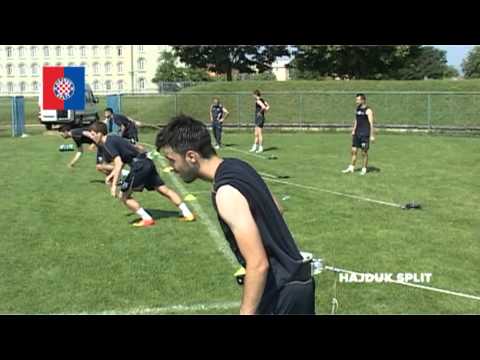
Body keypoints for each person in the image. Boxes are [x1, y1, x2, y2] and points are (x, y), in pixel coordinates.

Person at [156, 115, 315, 315]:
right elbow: (277, 207)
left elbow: (258, 264)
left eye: (172, 160)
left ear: (191, 156)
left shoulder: (226, 192)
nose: (171, 167)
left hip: (280, 293)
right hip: (299, 283)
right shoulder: (238, 165)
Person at [88, 121, 195, 227]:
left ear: (100, 133)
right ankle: (187, 213)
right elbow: (126, 157)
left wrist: (114, 185)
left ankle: (147, 218)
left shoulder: (107, 143)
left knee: (123, 196)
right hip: (147, 162)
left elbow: (119, 163)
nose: (91, 137)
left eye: (93, 134)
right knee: (163, 189)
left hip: (139, 166)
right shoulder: (114, 138)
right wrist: (111, 175)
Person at [342, 93, 375, 175]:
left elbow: (371, 123)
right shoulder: (358, 109)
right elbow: (356, 120)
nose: (356, 101)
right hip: (357, 133)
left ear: (363, 100)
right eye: (356, 99)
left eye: (358, 100)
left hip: (365, 134)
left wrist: (372, 135)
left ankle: (364, 169)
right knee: (353, 151)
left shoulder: (368, 110)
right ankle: (351, 167)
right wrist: (353, 130)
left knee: (364, 152)